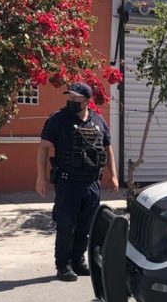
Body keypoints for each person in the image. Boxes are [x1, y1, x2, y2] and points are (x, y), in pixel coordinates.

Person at [36, 82, 118, 282]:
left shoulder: (98, 120)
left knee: (86, 225)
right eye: (70, 97)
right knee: (66, 225)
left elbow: (107, 148)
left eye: (76, 98)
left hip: (92, 183)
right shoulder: (58, 119)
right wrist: (41, 177)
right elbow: (44, 147)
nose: (71, 101)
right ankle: (63, 265)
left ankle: (78, 261)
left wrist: (113, 174)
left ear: (87, 100)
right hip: (68, 183)